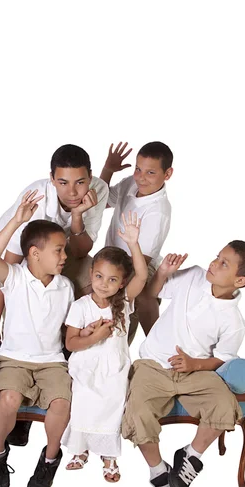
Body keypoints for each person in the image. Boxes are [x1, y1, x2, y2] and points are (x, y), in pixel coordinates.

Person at [0, 144, 108, 446]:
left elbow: (80, 249)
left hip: (66, 252)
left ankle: (74, 366)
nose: (73, 191)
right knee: (26, 296)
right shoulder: (35, 200)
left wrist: (76, 215)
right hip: (27, 249)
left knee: (96, 285)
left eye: (80, 182)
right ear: (51, 179)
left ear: (90, 178)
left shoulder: (97, 191)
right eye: (63, 182)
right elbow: (6, 263)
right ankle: (22, 412)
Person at [122, 241, 245, 487]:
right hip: (153, 364)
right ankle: (158, 472)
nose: (214, 263)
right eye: (217, 257)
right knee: (138, 412)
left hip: (195, 370)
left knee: (224, 404)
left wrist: (194, 365)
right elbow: (150, 295)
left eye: (224, 263)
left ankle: (191, 456)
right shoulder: (195, 276)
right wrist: (163, 271)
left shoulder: (234, 321)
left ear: (240, 280)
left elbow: (222, 358)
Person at [0, 190, 74, 487]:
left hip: (52, 361)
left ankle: (49, 460)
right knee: (8, 400)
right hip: (14, 359)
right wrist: (17, 220)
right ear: (35, 254)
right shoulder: (15, 277)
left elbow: (68, 329)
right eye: (59, 251)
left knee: (61, 403)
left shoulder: (66, 287)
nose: (64, 257)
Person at [61, 212, 148, 482]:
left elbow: (142, 276)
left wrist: (134, 243)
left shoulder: (123, 302)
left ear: (122, 282)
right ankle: (80, 449)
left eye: (112, 280)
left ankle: (108, 457)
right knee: (84, 406)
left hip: (115, 368)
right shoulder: (80, 306)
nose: (104, 284)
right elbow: (71, 343)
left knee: (111, 408)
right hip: (86, 366)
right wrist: (94, 337)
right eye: (99, 276)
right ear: (91, 274)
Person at [100, 141, 173, 343]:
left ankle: (158, 350)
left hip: (139, 265)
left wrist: (110, 284)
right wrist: (108, 169)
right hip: (113, 261)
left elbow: (139, 266)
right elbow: (100, 202)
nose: (141, 177)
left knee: (122, 313)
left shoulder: (158, 212)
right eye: (138, 169)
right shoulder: (131, 184)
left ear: (167, 174)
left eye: (150, 173)